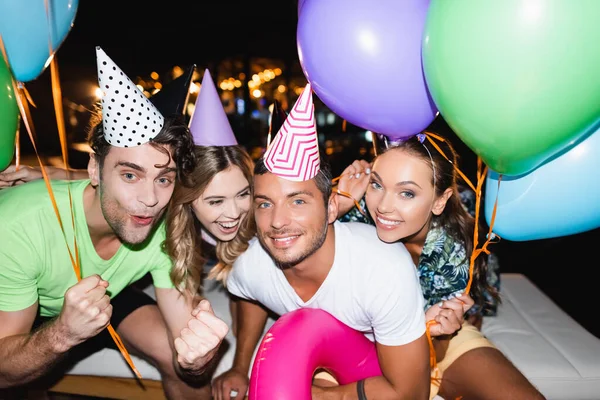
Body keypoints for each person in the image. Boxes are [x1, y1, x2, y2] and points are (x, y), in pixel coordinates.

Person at [0, 47, 228, 399]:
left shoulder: (167, 227)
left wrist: (199, 355)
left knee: (182, 366)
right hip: (29, 309)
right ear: (94, 169)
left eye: (164, 179)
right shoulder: (19, 226)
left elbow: (187, 344)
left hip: (108, 295)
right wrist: (63, 333)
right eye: (130, 174)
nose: (150, 199)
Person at [214, 84, 442, 400]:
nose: (277, 221)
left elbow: (411, 392)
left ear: (332, 206)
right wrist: (240, 367)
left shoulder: (383, 268)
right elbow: (249, 295)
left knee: (298, 330)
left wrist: (326, 396)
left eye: (298, 201)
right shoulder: (250, 263)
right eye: (265, 203)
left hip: (375, 371)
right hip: (316, 362)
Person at [336, 134, 546, 399]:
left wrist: (438, 331)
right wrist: (337, 204)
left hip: (441, 317)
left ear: (439, 200)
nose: (384, 206)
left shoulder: (453, 249)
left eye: (406, 193)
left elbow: (438, 350)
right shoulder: (358, 212)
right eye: (377, 185)